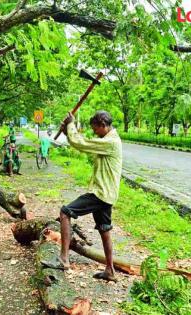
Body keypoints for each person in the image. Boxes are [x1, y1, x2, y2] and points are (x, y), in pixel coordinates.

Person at [58, 110, 122, 282]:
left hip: (100, 193)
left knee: (65, 212)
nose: (94, 132)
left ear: (103, 125)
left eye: (95, 129)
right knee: (104, 229)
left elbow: (83, 144)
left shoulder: (111, 142)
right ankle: (110, 270)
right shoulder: (108, 140)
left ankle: (64, 259)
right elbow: (82, 142)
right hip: (107, 193)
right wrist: (68, 132)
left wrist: (71, 125)